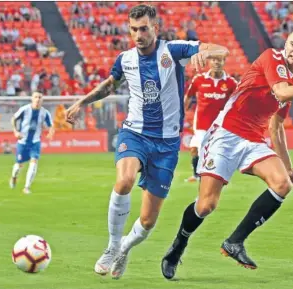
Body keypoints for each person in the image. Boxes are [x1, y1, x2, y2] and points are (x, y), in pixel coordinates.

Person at [161, 26, 293, 279]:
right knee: (207, 204)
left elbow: (276, 126)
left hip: (253, 139)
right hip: (225, 135)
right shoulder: (272, 58)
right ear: (286, 44)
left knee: (281, 184)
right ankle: (178, 245)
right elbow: (281, 92)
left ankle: (234, 242)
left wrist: (289, 167)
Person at [65, 4, 229, 280]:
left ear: (155, 27)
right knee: (124, 180)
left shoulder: (173, 50)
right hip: (135, 133)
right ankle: (112, 245)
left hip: (166, 145)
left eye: (143, 29)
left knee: (148, 220)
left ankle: (125, 249)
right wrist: (82, 102)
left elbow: (220, 50)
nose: (138, 34)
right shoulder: (125, 59)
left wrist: (206, 53)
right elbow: (110, 84)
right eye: (133, 29)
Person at [184, 56, 237, 183]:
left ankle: (217, 175)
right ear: (209, 62)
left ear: (224, 62)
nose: (216, 62)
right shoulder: (199, 79)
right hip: (201, 124)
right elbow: (189, 96)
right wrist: (182, 113)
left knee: (217, 152)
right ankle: (197, 175)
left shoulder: (231, 82)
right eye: (214, 60)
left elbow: (238, 101)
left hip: (220, 125)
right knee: (195, 148)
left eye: (219, 60)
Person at [9, 92, 54, 195]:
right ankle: (14, 177)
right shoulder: (25, 109)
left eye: (40, 97)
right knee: (18, 166)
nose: (38, 99)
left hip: (35, 142)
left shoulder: (45, 113)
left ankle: (26, 187)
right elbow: (13, 119)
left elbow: (50, 125)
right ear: (32, 99)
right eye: (36, 97)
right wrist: (15, 131)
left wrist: (50, 132)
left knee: (34, 163)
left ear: (42, 100)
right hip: (23, 142)